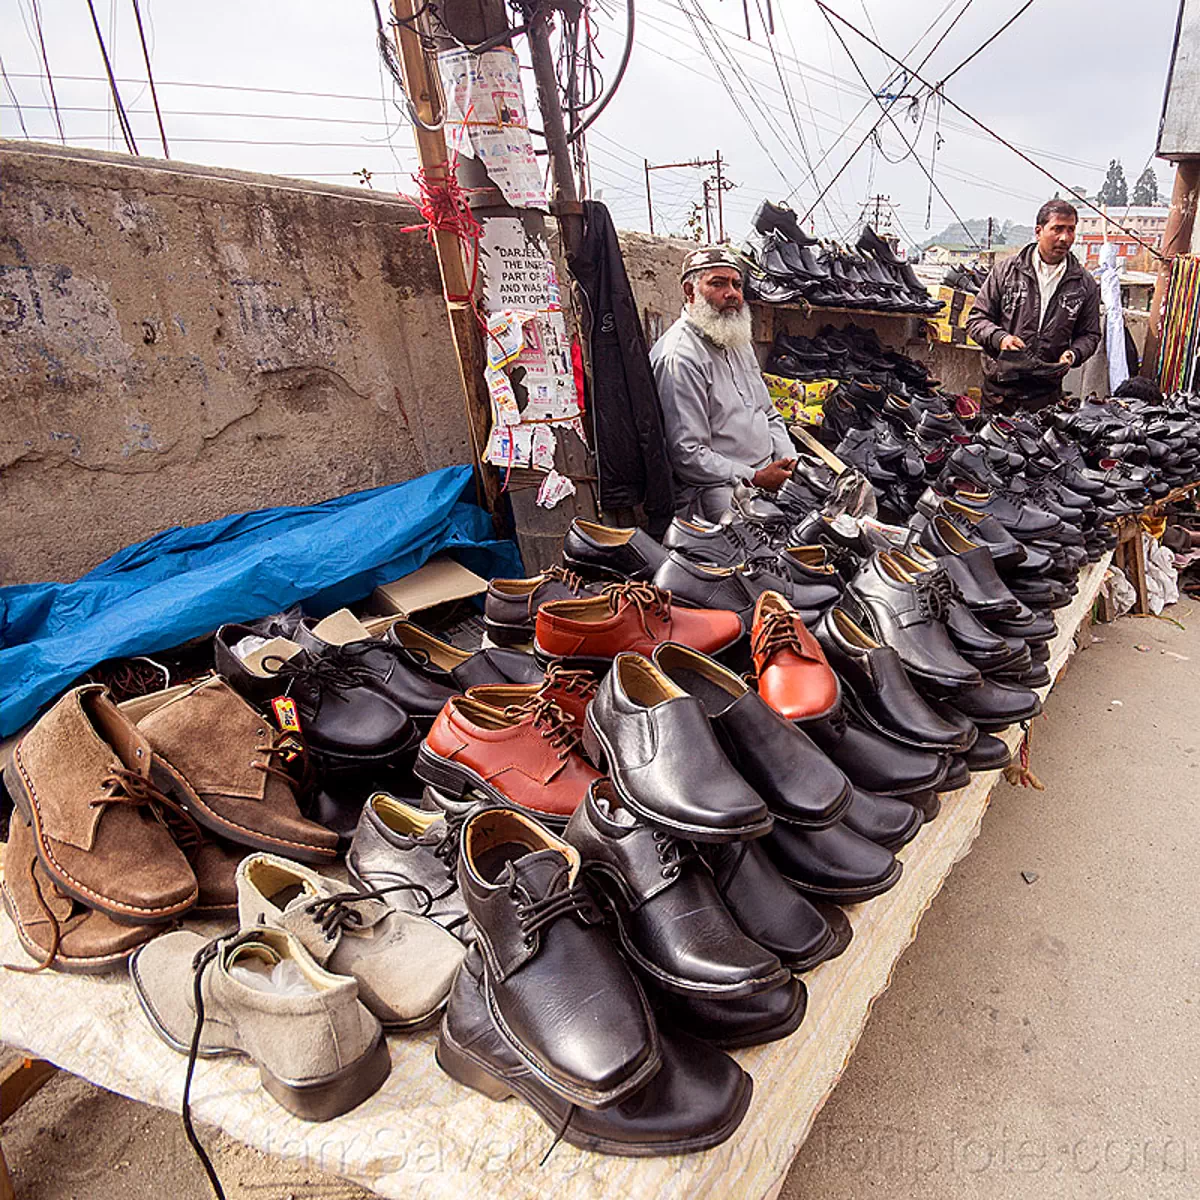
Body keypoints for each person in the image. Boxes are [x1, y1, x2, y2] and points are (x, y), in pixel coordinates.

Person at [650, 246, 795, 521]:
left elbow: (768, 413)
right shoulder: (681, 357)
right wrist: (756, 477)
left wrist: (789, 460)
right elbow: (689, 457)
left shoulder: (735, 338)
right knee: (774, 546)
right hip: (716, 489)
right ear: (690, 291)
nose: (732, 293)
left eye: (736, 284)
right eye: (718, 283)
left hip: (766, 475)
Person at [966, 199, 1101, 412]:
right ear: (1039, 231)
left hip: (1045, 394)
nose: (1065, 238)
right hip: (1000, 392)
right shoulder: (1006, 272)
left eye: (1071, 230)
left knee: (1039, 445)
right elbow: (976, 319)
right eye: (1057, 229)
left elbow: (1090, 334)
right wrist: (1001, 339)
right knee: (991, 443)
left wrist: (1074, 354)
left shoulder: (1084, 284)